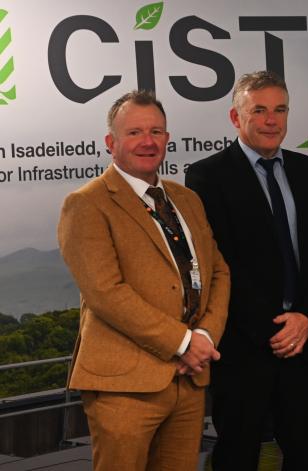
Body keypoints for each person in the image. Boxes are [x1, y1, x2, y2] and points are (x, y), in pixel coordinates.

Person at [57, 90, 230, 471]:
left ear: (168, 138)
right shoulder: (87, 204)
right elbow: (106, 293)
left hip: (189, 380)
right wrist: (182, 341)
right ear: (111, 142)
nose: (148, 141)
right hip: (124, 387)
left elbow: (217, 270)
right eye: (134, 132)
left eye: (156, 131)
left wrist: (205, 337)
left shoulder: (187, 199)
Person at [184, 71, 308, 470]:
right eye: (260, 110)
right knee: (238, 454)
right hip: (243, 348)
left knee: (305, 454)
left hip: (303, 344)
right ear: (236, 118)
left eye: (280, 109)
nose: (272, 120)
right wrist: (274, 330)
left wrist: (306, 317)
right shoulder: (206, 176)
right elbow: (219, 264)